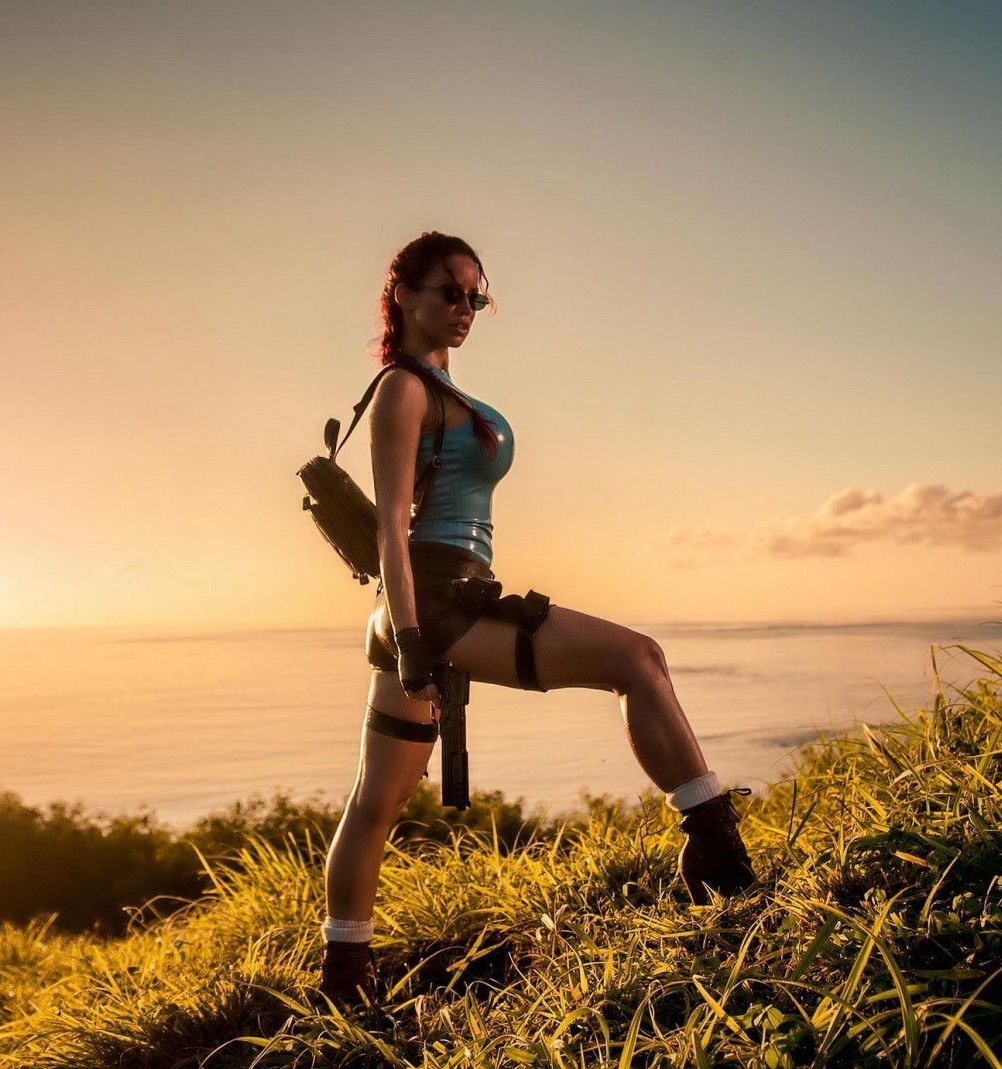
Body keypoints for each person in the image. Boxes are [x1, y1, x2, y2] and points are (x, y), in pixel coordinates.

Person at [318, 231, 757, 1005]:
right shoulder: (403, 389)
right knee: (637, 659)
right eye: (449, 292)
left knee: (373, 806)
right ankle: (718, 855)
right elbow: (390, 524)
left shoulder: (439, 387)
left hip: (442, 602)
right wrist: (416, 638)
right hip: (435, 608)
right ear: (404, 296)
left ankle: (344, 980)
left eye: (476, 296)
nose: (465, 308)